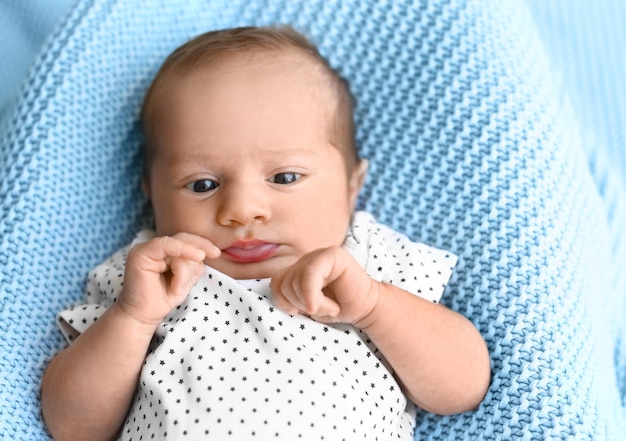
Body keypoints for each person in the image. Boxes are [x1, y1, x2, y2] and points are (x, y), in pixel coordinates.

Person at [41, 26, 490, 441]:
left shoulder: (369, 262)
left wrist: (373, 305)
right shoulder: (147, 279)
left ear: (352, 188)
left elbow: (463, 388)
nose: (241, 210)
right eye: (203, 185)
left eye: (285, 177)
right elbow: (73, 427)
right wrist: (132, 319)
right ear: (153, 198)